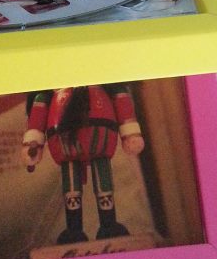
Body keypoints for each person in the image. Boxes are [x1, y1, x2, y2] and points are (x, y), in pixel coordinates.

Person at [22, 84, 144, 244]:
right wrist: (33, 142)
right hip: (68, 143)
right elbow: (38, 112)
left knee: (102, 181)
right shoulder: (48, 93)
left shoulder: (108, 87)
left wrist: (130, 132)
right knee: (73, 187)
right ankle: (75, 229)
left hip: (98, 139)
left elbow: (122, 101)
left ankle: (107, 224)